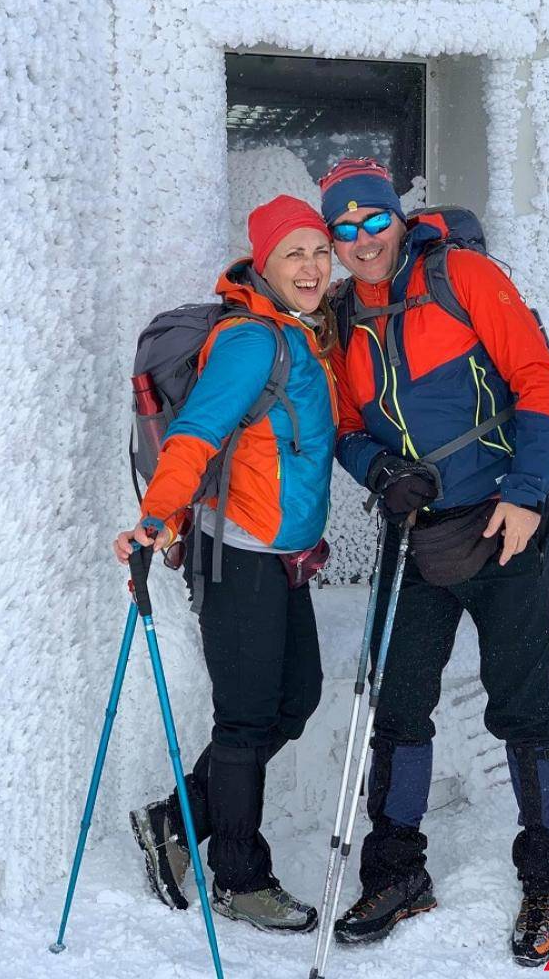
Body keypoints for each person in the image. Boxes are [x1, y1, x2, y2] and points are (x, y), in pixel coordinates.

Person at [320, 158, 549, 966]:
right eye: (344, 229)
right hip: (417, 532)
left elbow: (539, 380)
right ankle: (396, 873)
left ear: (397, 218)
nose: (363, 239)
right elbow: (344, 426)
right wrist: (377, 471)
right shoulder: (341, 317)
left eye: (374, 219)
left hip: (505, 521)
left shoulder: (463, 277)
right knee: (399, 704)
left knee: (521, 701)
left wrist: (527, 495)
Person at [114, 195, 338, 933]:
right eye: (294, 254)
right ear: (264, 263)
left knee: (295, 699)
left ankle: (175, 821)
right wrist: (154, 521)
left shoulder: (297, 331)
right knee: (244, 722)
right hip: (236, 557)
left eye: (319, 251)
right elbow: (195, 434)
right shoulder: (250, 340)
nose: (311, 267)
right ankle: (240, 880)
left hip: (280, 556)